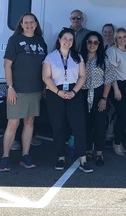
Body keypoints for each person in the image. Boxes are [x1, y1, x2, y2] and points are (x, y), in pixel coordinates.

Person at [0, 13, 47, 172]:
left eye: (31, 22)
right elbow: (7, 65)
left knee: (29, 122)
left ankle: (25, 155)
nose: (28, 25)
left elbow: (45, 67)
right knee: (13, 123)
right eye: (25, 22)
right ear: (21, 24)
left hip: (35, 90)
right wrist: (10, 87)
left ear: (35, 24)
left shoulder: (40, 41)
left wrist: (44, 87)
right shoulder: (15, 40)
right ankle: (5, 157)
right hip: (17, 90)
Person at [42, 28, 92, 173]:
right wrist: (58, 92)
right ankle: (60, 157)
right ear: (59, 39)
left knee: (79, 127)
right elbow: (46, 78)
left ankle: (83, 159)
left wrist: (74, 91)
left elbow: (82, 76)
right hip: (55, 93)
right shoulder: (50, 58)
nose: (67, 41)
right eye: (65, 38)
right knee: (58, 127)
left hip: (74, 93)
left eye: (70, 39)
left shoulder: (78, 57)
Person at [80, 31, 118, 166]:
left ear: (99, 44)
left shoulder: (103, 59)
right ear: (85, 43)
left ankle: (99, 153)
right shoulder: (79, 58)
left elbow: (108, 80)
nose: (92, 45)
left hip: (99, 94)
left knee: (99, 125)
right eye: (90, 41)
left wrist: (104, 98)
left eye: (96, 42)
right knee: (86, 124)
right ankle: (88, 150)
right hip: (83, 94)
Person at [105, 28, 126, 155]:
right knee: (122, 115)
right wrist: (116, 89)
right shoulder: (112, 51)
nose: (122, 39)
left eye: (124, 36)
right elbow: (111, 72)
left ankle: (119, 141)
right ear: (115, 39)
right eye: (119, 37)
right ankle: (117, 143)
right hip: (120, 86)